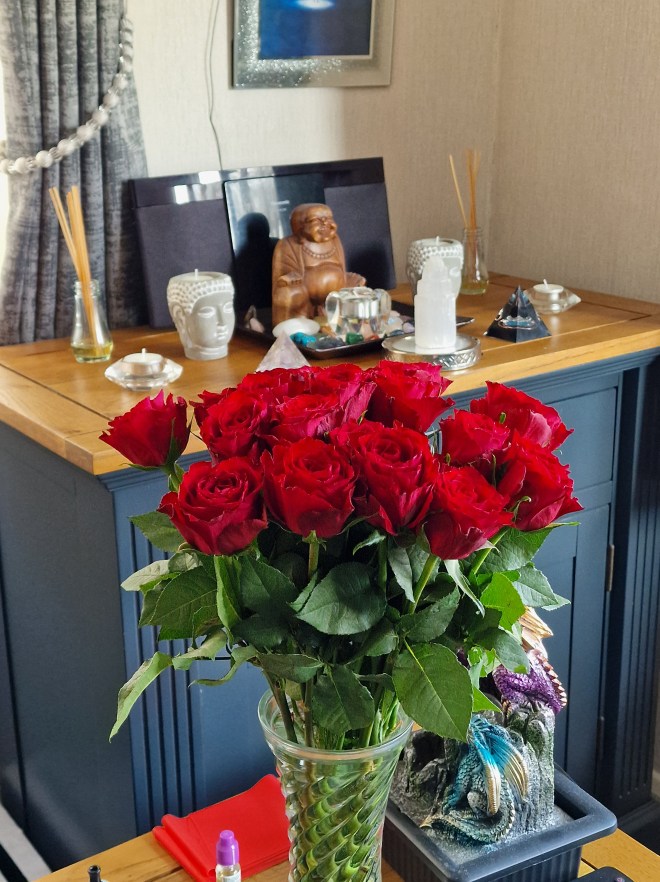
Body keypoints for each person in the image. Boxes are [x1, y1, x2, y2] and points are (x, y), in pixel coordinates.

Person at [271, 203, 365, 324]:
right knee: (289, 293)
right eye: (315, 219)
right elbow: (283, 273)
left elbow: (341, 267)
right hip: (305, 295)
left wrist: (345, 277)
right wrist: (291, 278)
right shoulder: (288, 244)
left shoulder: (335, 240)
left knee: (360, 289)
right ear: (299, 225)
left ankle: (349, 323)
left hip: (336, 293)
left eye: (328, 218)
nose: (325, 223)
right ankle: (301, 326)